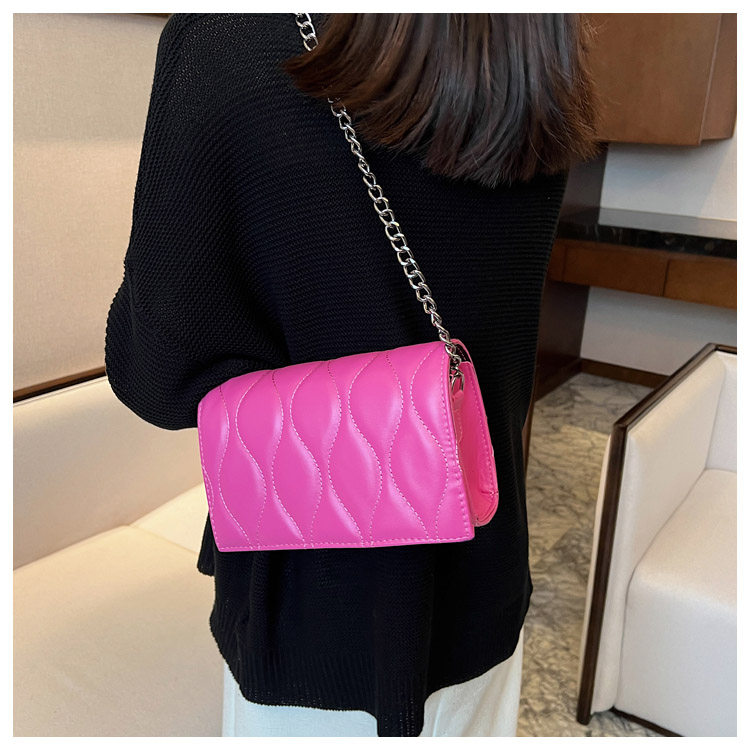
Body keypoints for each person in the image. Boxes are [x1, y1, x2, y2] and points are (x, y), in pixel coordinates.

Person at [104, 12, 598, 737]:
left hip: (310, 619)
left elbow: (156, 375)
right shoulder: (536, 51)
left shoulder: (227, 40)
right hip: (484, 584)